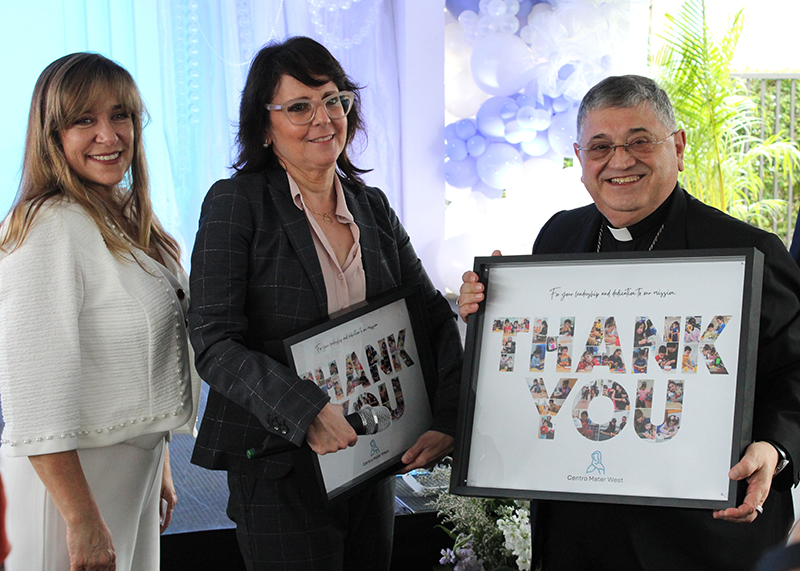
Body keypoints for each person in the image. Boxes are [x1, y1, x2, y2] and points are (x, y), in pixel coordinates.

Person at [458, 74, 800, 570]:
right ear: (580, 159)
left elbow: (795, 371)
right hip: (579, 532)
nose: (620, 160)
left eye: (640, 141)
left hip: (702, 537)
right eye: (601, 146)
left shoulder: (750, 253)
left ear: (678, 146)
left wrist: (776, 447)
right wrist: (489, 311)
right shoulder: (558, 234)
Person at [188, 37, 463, 571]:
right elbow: (213, 341)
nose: (323, 119)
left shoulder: (371, 206)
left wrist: (448, 417)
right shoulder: (235, 203)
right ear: (264, 127)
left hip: (371, 459)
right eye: (298, 107)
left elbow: (429, 315)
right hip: (280, 468)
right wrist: (306, 410)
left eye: (334, 100)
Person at [0, 53, 198, 571]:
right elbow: (33, 391)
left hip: (131, 469)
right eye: (84, 120)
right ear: (51, 135)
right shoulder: (47, 228)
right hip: (69, 488)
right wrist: (81, 518)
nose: (109, 135)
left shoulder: (130, 215)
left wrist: (161, 465)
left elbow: (148, 357)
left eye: (121, 115)